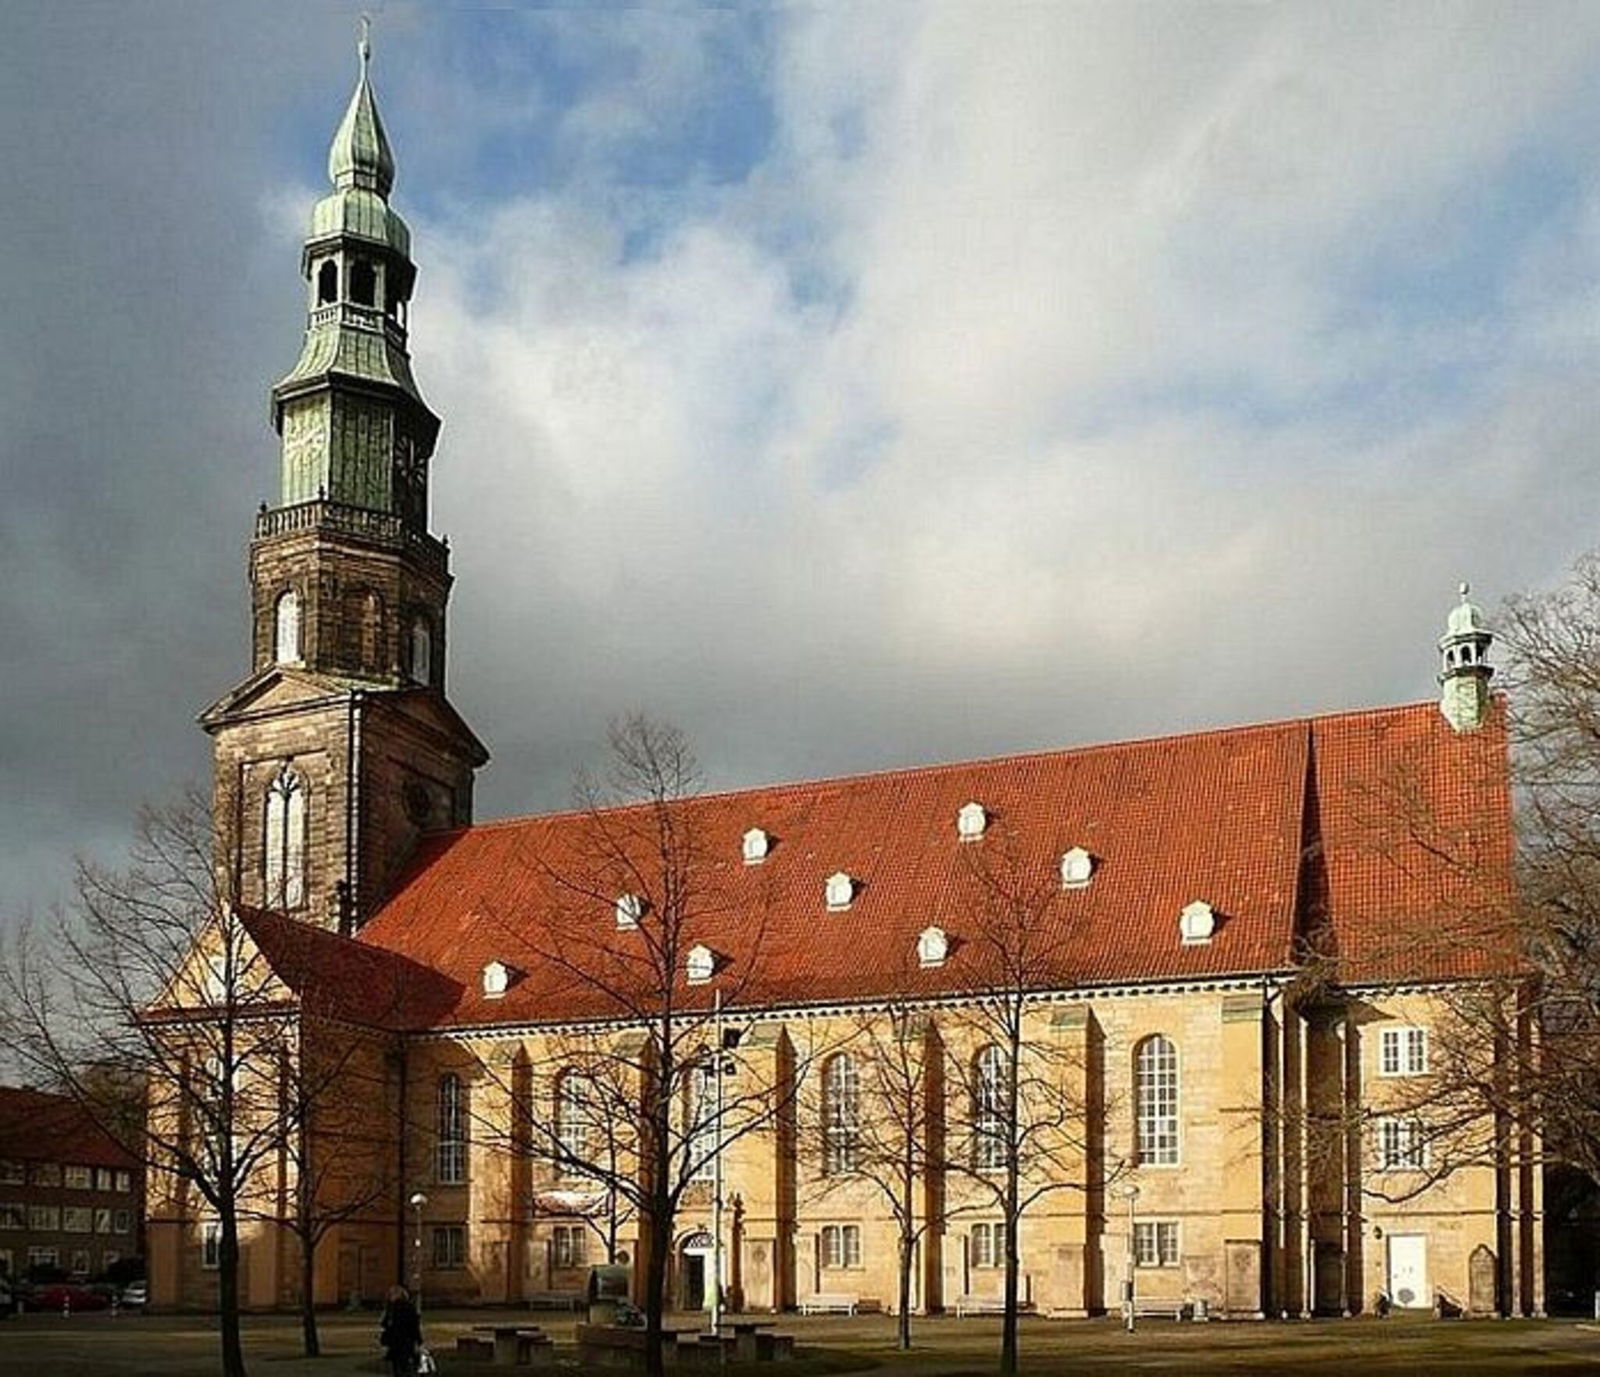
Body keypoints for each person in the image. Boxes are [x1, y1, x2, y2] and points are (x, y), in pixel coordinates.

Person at [380, 1284, 423, 1376]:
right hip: (407, 1341)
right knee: (406, 1365)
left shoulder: (391, 1308)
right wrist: (419, 1340)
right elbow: (414, 1326)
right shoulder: (410, 1308)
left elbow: (384, 1323)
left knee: (396, 1366)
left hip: (395, 1341)